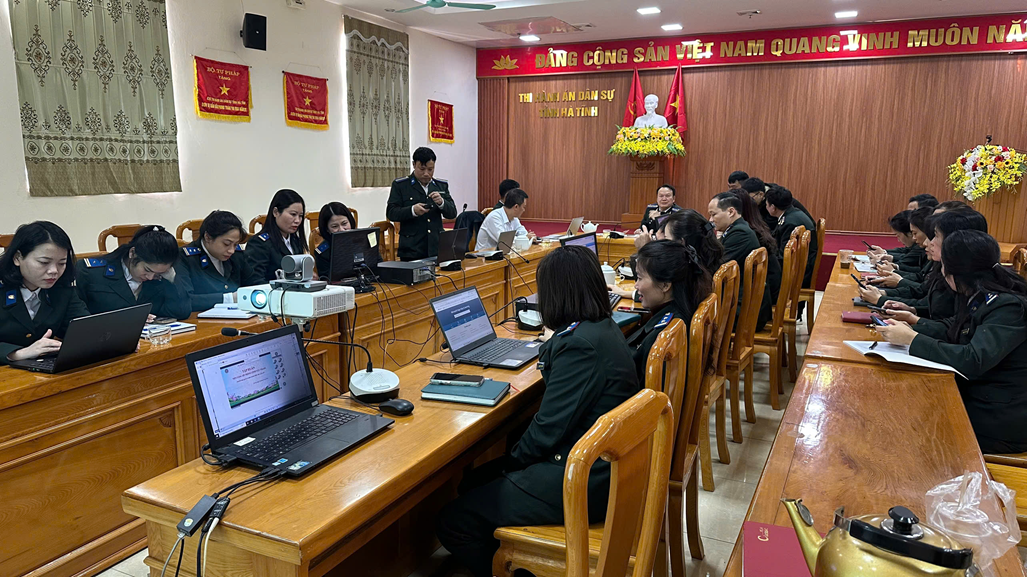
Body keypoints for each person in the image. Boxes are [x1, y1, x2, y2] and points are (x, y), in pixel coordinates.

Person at [436, 245, 639, 577]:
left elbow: (547, 429)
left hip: (583, 479)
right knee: (474, 481)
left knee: (453, 521)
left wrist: (512, 466)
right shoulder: (600, 326)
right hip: (603, 466)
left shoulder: (578, 345)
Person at [877, 230, 1027, 453]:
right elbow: (957, 328)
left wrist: (913, 340)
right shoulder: (980, 291)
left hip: (997, 417)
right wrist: (915, 324)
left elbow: (973, 360)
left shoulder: (1008, 306)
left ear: (956, 270)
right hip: (979, 395)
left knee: (905, 425)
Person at [869, 210, 987, 322]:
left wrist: (914, 324)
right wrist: (912, 311)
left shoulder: (972, 281)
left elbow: (952, 326)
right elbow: (930, 303)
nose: (927, 243)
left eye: (934, 235)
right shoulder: (943, 266)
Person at [0, 221, 90, 363]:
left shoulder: (61, 290)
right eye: (44, 262)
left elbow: (84, 328)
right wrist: (18, 353)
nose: (54, 271)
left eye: (62, 263)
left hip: (42, 369)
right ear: (17, 258)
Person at [624, 240, 712, 379]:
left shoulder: (663, 334)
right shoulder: (687, 306)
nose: (636, 285)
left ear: (665, 285)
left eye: (640, 278)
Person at [76, 225, 189, 321]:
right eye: (147, 270)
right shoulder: (91, 273)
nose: (150, 277)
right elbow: (78, 318)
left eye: (158, 273)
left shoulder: (161, 276)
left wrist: (172, 278)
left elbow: (181, 312)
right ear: (132, 253)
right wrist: (123, 320)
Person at [614, 209, 723, 300]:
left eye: (666, 238)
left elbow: (653, 291)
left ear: (681, 243)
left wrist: (645, 250)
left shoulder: (686, 274)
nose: (662, 243)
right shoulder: (703, 263)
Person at [708, 192, 773, 331]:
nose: (711, 220)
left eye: (714, 214)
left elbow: (717, 268)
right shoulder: (737, 228)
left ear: (731, 212)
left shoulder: (740, 234)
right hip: (745, 302)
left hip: (746, 311)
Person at [176, 210, 263, 312]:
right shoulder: (184, 258)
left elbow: (254, 282)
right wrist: (230, 298)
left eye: (235, 244)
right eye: (226, 244)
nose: (231, 250)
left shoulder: (236, 255)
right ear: (207, 237)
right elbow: (185, 300)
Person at [386, 147, 458, 261]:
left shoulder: (441, 186)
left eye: (430, 169)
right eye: (422, 169)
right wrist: (412, 211)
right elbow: (391, 213)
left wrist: (442, 203)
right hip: (412, 250)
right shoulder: (401, 185)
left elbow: (452, 213)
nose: (426, 174)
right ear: (414, 165)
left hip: (436, 247)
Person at [765, 185, 818, 294]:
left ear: (773, 207)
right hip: (804, 266)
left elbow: (784, 257)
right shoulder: (794, 213)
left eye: (766, 204)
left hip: (799, 273)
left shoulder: (789, 224)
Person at [246, 189, 308, 282]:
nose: (297, 221)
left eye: (300, 216)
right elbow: (255, 280)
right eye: (293, 214)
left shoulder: (295, 241)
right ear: (276, 212)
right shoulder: (259, 243)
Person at [740, 177, 813, 234]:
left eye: (750, 198)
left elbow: (771, 230)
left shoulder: (776, 200)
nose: (748, 202)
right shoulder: (771, 196)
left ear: (761, 194)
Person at [313, 202, 357, 277]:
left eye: (344, 223)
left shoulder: (362, 240)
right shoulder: (323, 252)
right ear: (327, 229)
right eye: (335, 226)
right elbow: (325, 278)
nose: (341, 229)